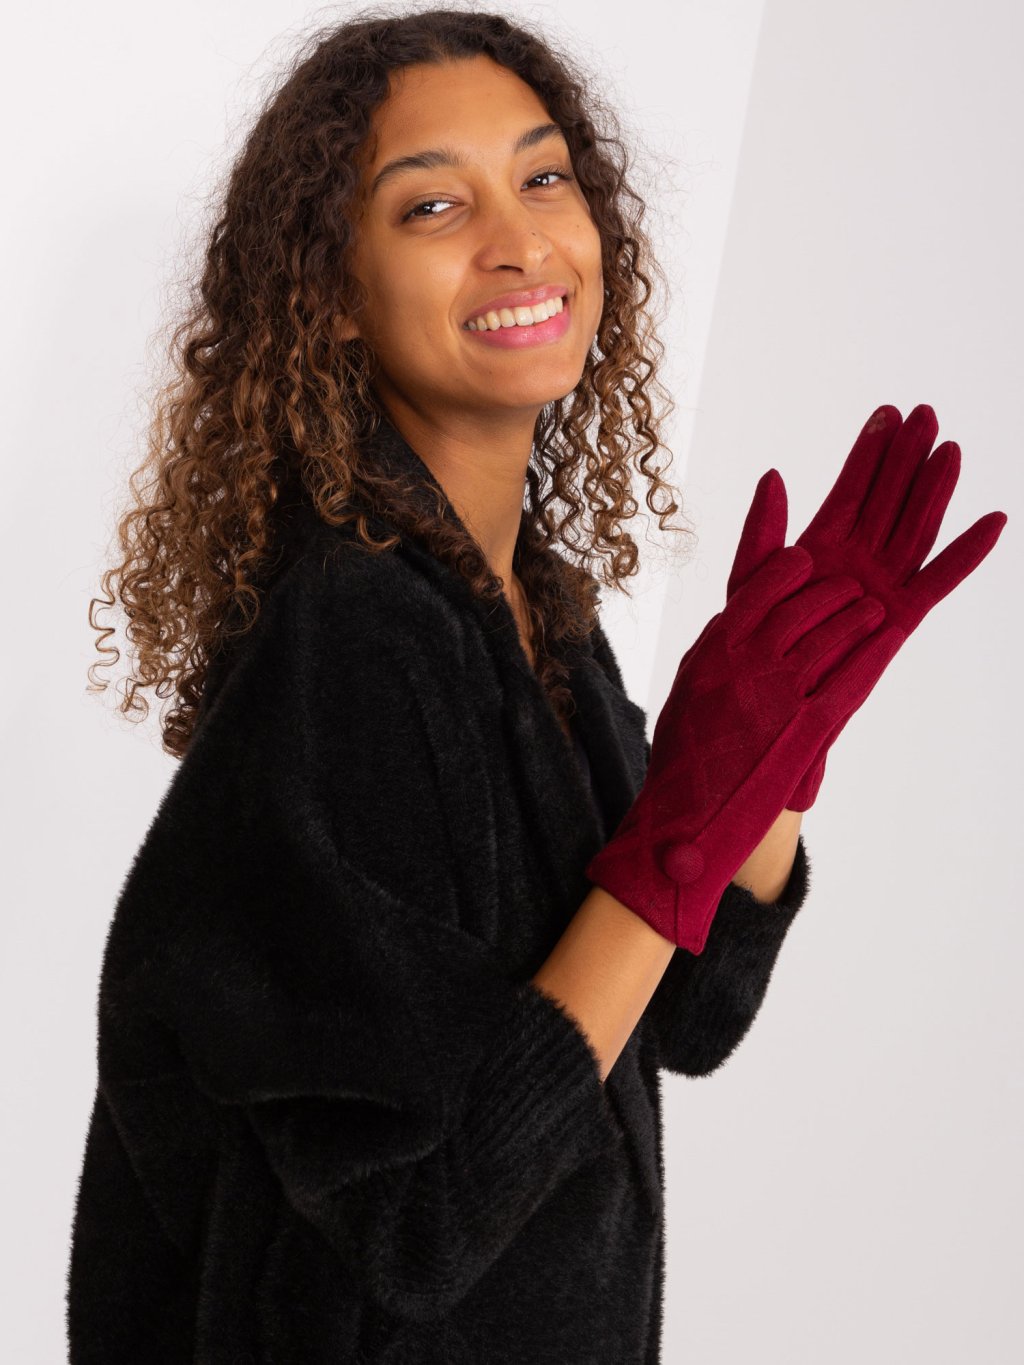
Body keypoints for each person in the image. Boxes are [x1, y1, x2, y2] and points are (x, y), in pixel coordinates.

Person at [66, 8, 1007, 1362]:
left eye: (545, 175)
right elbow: (423, 1215)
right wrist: (682, 831)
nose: (519, 239)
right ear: (331, 293)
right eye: (433, 204)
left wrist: (773, 764)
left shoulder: (534, 616)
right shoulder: (352, 641)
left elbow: (682, 1017)